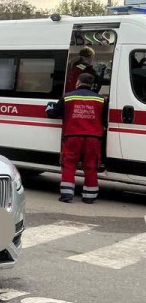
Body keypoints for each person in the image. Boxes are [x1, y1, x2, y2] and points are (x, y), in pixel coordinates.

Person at [46, 72, 104, 204]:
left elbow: (53, 113)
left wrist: (49, 106)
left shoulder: (67, 97)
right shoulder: (100, 99)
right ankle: (90, 197)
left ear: (78, 82)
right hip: (93, 138)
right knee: (91, 166)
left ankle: (67, 195)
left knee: (69, 164)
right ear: (91, 84)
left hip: (72, 136)